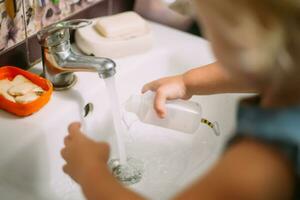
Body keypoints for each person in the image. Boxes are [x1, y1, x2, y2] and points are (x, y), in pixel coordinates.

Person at [61, 0, 300, 199]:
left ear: (241, 40)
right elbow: (262, 71)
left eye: (207, 26)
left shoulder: (260, 167)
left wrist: (90, 171)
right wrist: (188, 82)